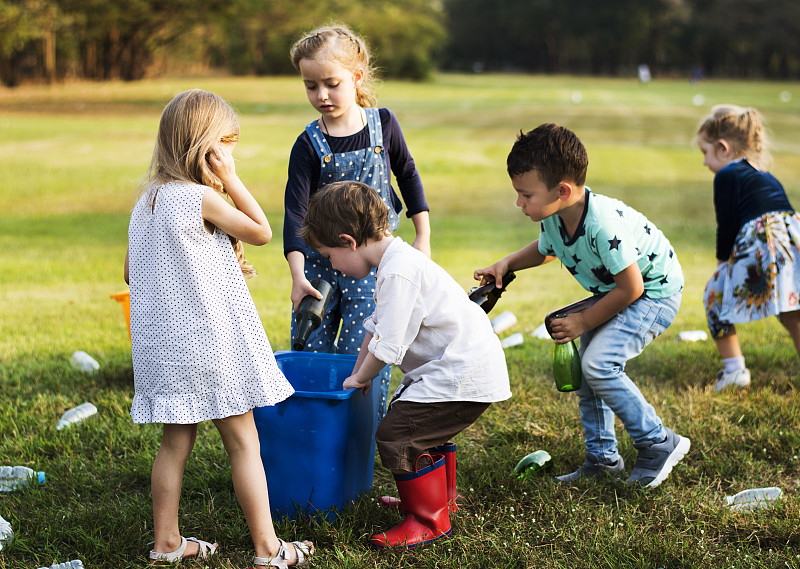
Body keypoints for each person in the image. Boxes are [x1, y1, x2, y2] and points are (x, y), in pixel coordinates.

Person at [125, 89, 314, 567]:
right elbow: (262, 231)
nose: (231, 154)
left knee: (174, 444)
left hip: (165, 351)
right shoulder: (199, 197)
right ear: (204, 147)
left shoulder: (146, 204)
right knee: (244, 443)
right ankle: (269, 550)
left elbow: (130, 271)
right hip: (211, 347)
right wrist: (231, 178)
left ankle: (166, 541)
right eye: (227, 145)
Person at [475, 123, 689, 488]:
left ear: (563, 190)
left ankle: (657, 441)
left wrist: (583, 322)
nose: (518, 203)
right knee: (590, 370)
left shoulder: (602, 225)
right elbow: (546, 249)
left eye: (525, 195)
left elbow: (632, 287)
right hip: (618, 291)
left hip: (653, 293)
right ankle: (603, 458)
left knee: (598, 364)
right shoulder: (559, 216)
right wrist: (507, 264)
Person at [300, 181, 511, 549]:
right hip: (460, 369)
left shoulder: (398, 272)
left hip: (463, 372)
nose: (332, 266)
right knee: (424, 430)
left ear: (349, 241)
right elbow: (376, 329)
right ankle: (434, 502)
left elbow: (389, 346)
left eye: (330, 256)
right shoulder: (395, 262)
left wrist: (361, 378)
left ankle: (427, 521)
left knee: (398, 434)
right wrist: (355, 373)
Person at [284, 25, 432, 419]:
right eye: (310, 86)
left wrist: (423, 236)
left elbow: (409, 175)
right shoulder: (308, 144)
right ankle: (312, 427)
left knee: (361, 355)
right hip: (319, 269)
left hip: (373, 272)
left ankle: (359, 434)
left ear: (357, 77)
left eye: (331, 84)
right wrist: (299, 277)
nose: (321, 96)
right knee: (310, 349)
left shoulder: (384, 125)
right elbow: (294, 212)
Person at [696, 104, 800, 391]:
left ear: (723, 148)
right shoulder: (764, 174)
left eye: (705, 152)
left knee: (714, 296)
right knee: (792, 309)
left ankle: (734, 370)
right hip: (790, 241)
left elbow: (727, 225)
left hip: (764, 241)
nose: (705, 162)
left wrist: (721, 265)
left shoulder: (727, 175)